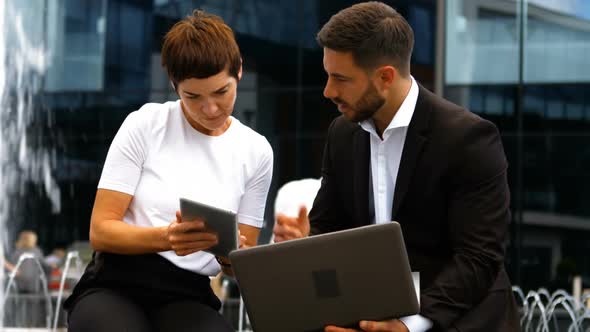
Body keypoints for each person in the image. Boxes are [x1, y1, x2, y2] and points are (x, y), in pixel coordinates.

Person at [273, 2, 519, 332]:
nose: (328, 91)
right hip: (368, 311)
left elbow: (478, 259)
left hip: (453, 316)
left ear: (385, 77)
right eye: (327, 76)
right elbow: (328, 229)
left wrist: (408, 326)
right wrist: (305, 243)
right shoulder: (343, 133)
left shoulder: (468, 138)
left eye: (340, 79)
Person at [64, 10, 273, 332]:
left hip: (189, 293)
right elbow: (101, 230)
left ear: (240, 71)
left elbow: (240, 263)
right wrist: (167, 237)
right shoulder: (145, 124)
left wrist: (233, 256)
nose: (210, 109)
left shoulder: (256, 151)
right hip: (115, 282)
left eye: (221, 92)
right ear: (175, 87)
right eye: (193, 97)